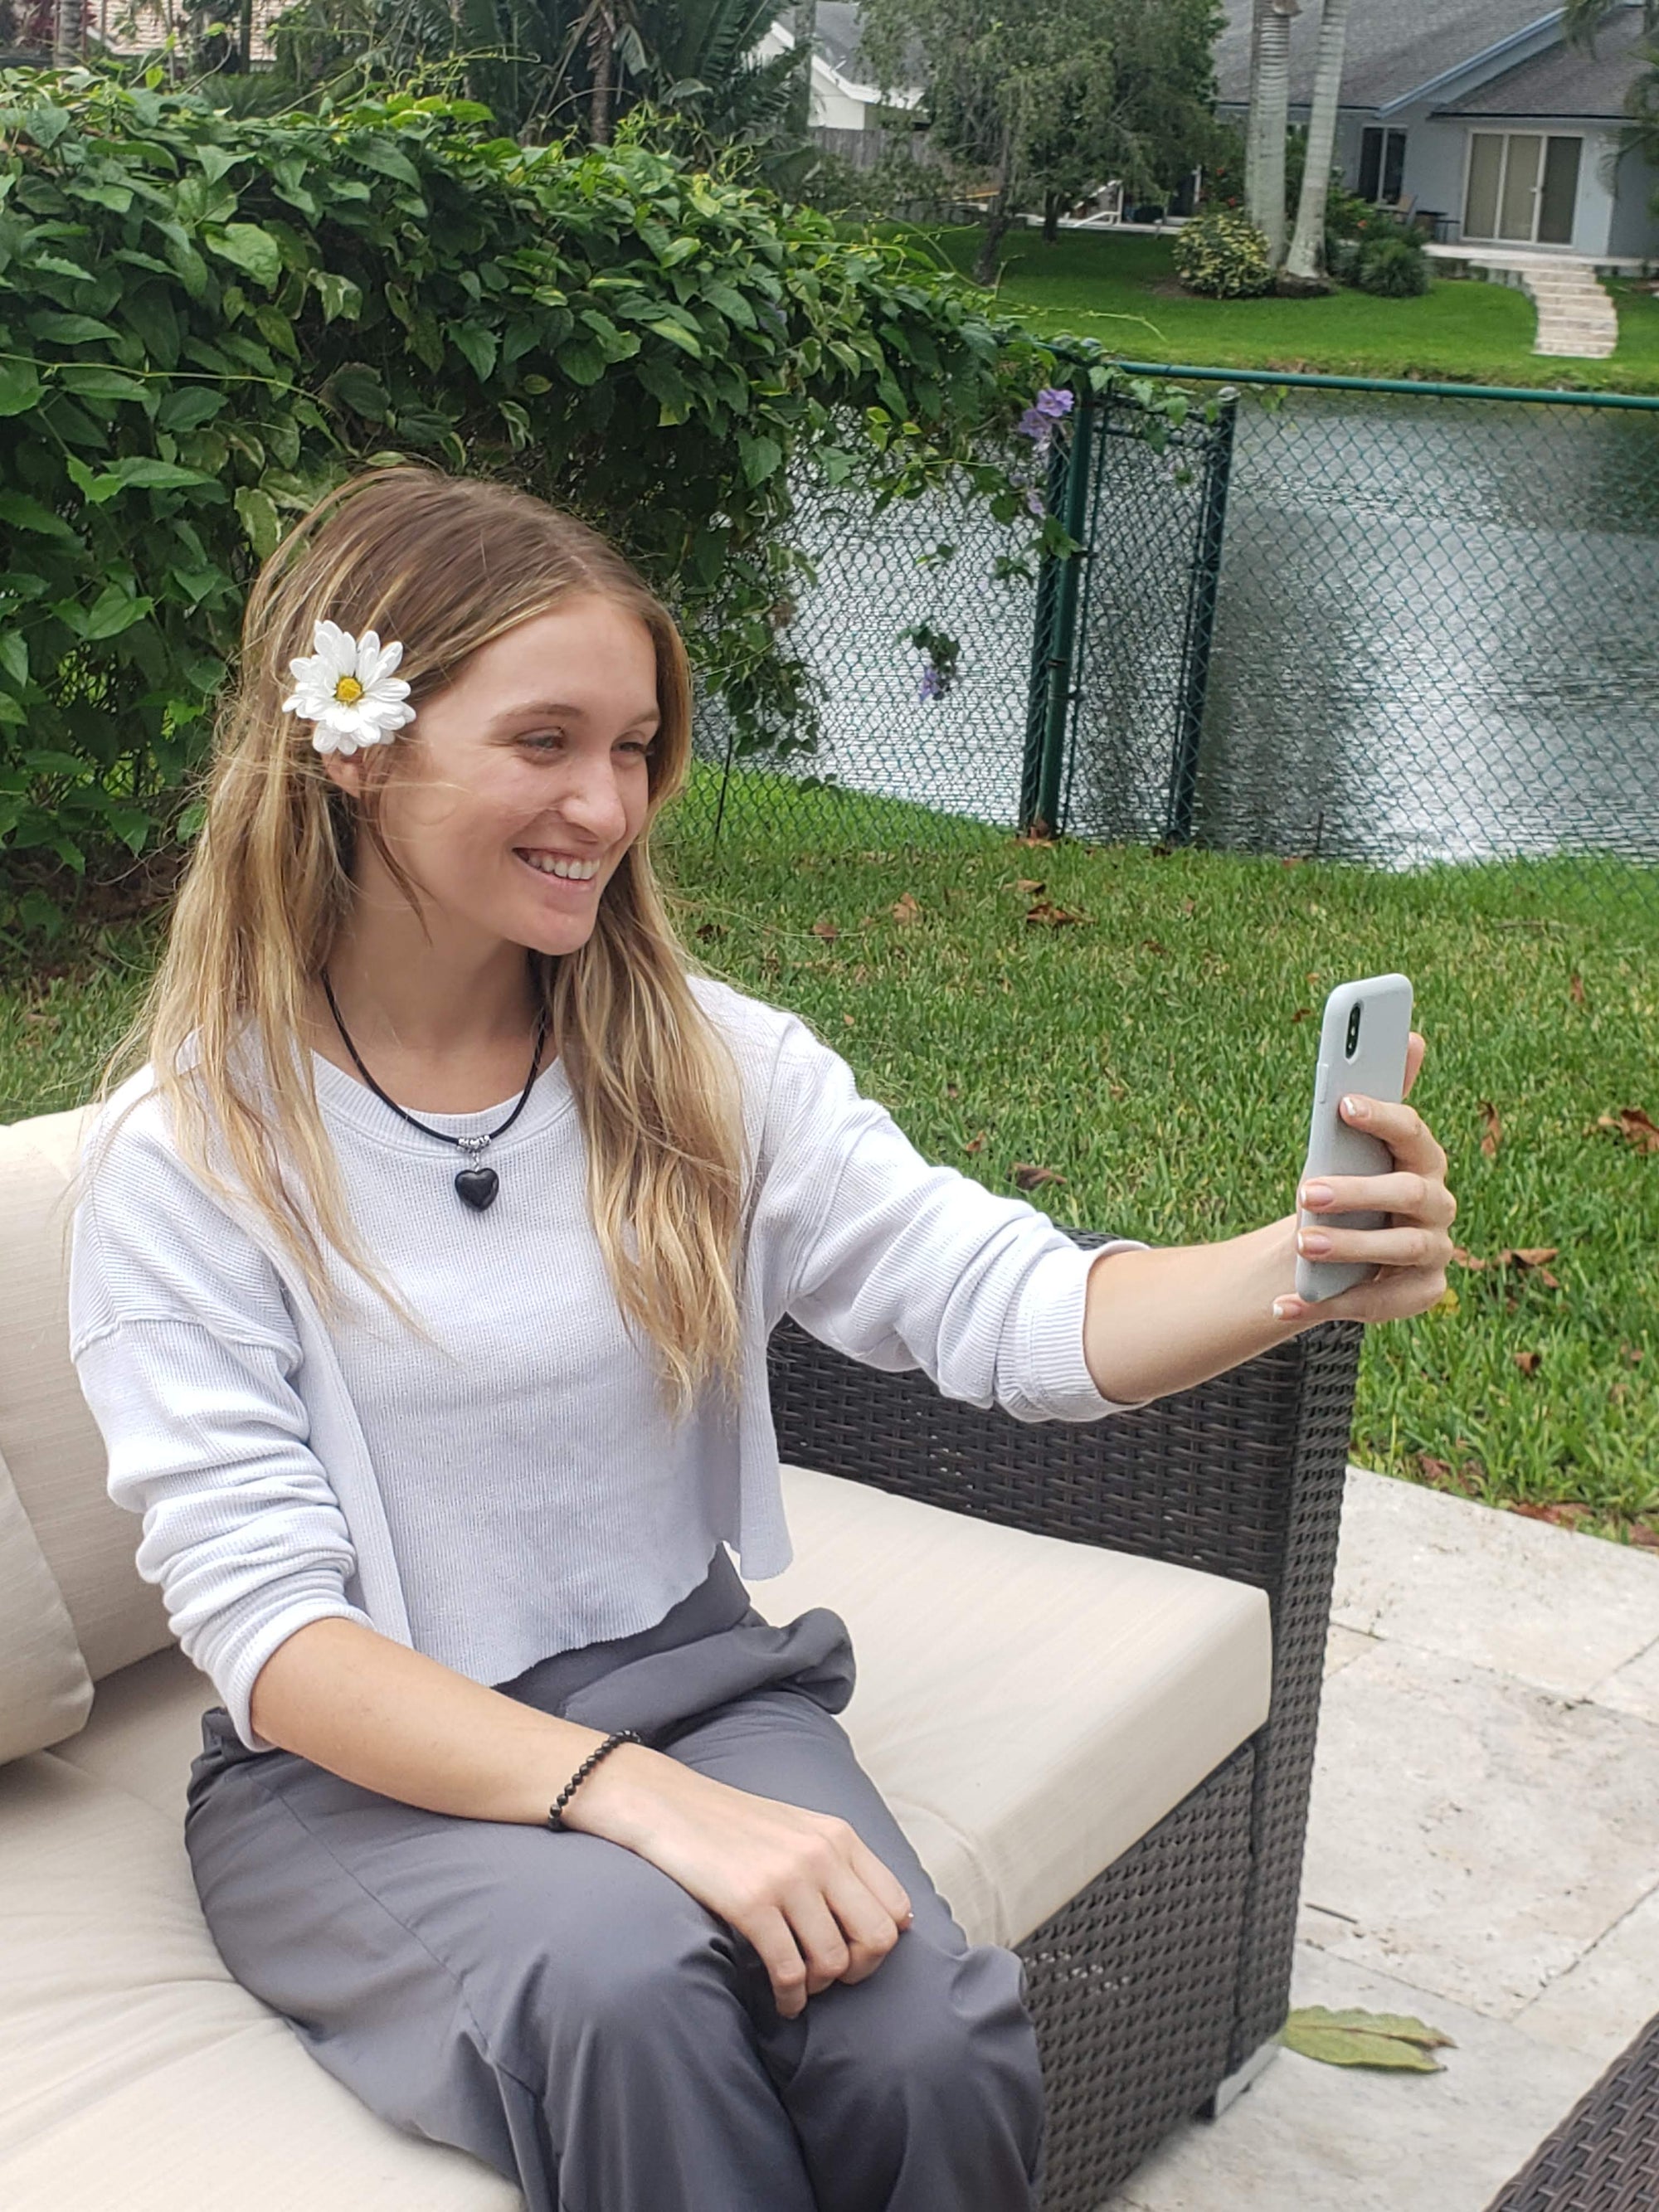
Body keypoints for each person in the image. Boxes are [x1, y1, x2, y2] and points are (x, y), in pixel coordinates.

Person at [65, 465, 1457, 2212]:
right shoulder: (192, 1160)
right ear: (357, 746)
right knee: (627, 1990)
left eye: (636, 745)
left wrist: (1293, 1267)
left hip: (696, 1677)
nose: (608, 801)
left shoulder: (703, 1066)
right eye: (546, 740)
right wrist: (632, 1798)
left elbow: (1004, 1305)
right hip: (359, 1773)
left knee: (921, 2039)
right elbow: (273, 1632)